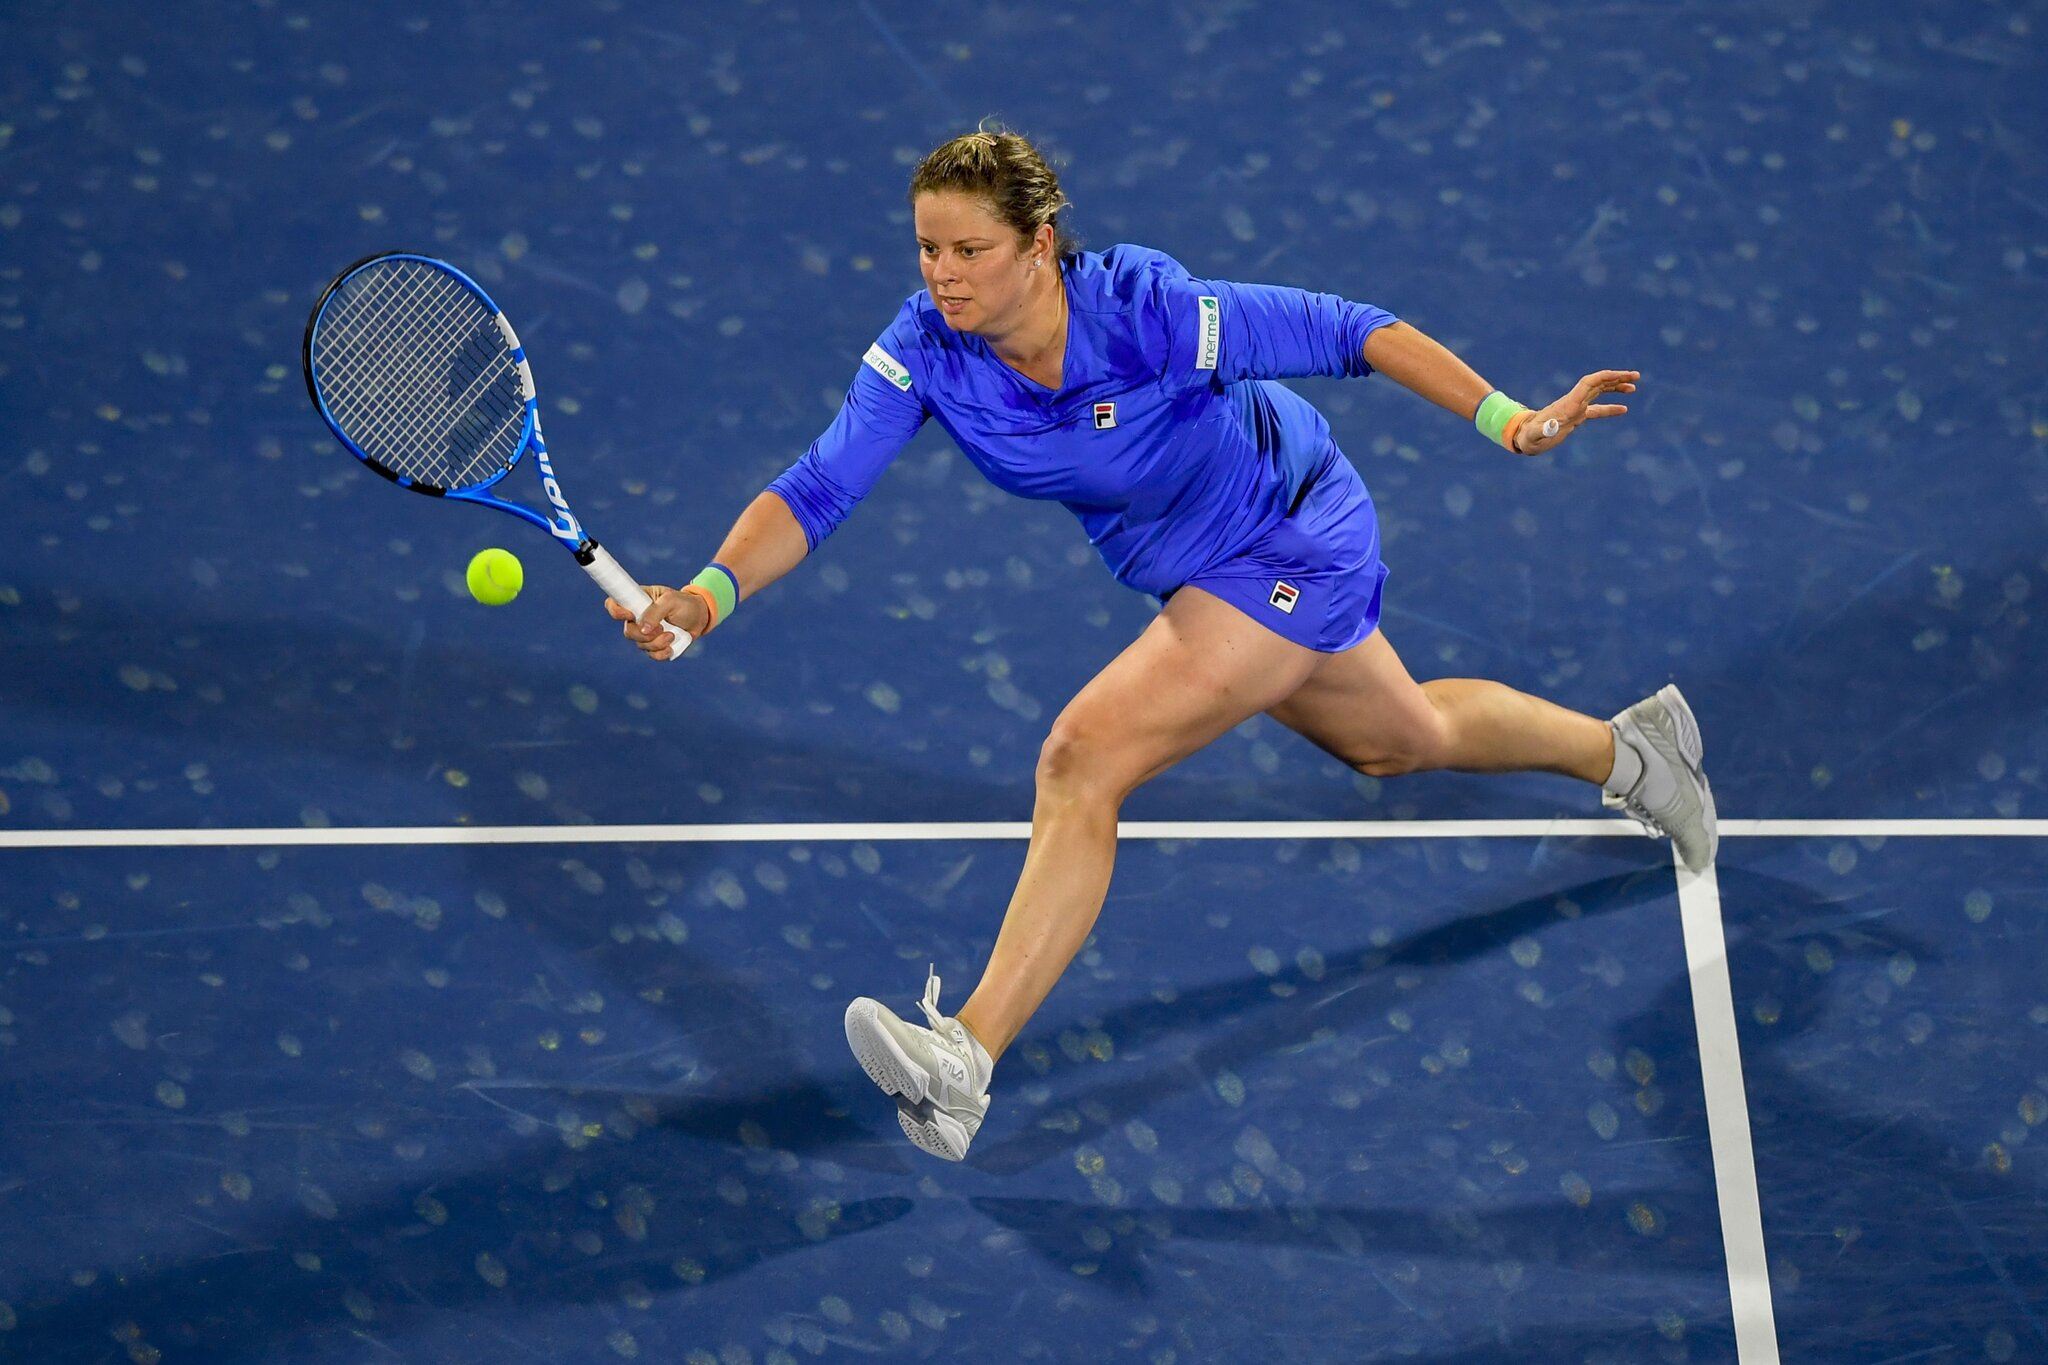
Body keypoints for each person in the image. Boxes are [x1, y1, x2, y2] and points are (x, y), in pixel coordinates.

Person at [605, 125, 1715, 1163]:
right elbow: (818, 486)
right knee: (1400, 737)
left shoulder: (1147, 311)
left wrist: (1508, 420)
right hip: (1201, 573)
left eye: (970, 251)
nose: (943, 275)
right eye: (928, 249)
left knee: (1081, 758)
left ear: (1039, 244)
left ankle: (964, 1060)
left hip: (1291, 533)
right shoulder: (924, 351)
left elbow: (1351, 328)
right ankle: (1637, 752)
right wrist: (705, 596)